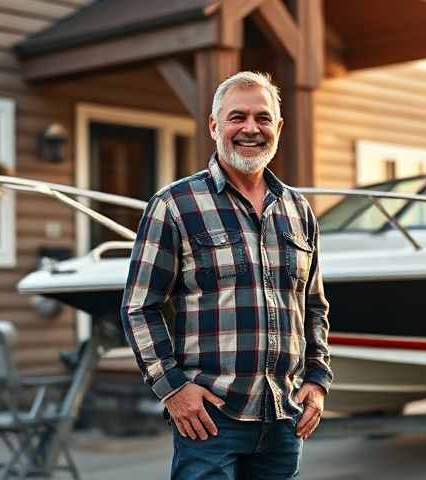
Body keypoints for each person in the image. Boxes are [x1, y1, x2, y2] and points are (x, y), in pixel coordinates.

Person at [120, 71, 332, 479]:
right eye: (237, 117)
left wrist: (319, 380)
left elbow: (314, 306)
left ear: (279, 128)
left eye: (263, 118)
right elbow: (138, 307)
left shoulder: (298, 209)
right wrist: (174, 390)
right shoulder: (175, 205)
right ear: (214, 126)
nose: (251, 128)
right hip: (210, 420)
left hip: (283, 421)